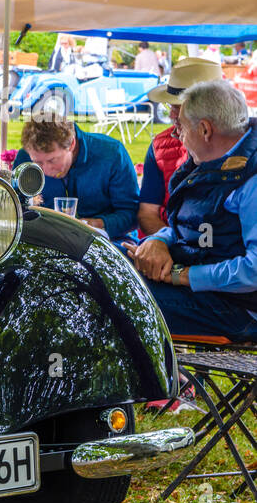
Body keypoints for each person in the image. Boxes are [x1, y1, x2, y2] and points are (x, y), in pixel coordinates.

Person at [125, 79, 257, 340]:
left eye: (181, 127)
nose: (177, 135)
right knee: (109, 265)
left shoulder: (249, 178)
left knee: (122, 299)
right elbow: (187, 224)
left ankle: (156, 378)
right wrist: (158, 241)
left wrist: (183, 276)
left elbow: (253, 271)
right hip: (212, 293)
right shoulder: (212, 158)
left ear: (205, 129)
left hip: (240, 309)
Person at [13, 115, 140, 242]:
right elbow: (16, 209)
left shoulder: (111, 153)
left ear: (72, 144)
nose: (45, 170)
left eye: (52, 160)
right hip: (47, 242)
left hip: (109, 242)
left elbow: (132, 214)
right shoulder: (24, 159)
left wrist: (97, 224)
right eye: (38, 163)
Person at [138, 57, 225, 237]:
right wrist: (167, 242)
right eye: (170, 106)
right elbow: (147, 212)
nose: (171, 114)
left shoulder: (240, 148)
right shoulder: (160, 145)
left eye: (179, 107)